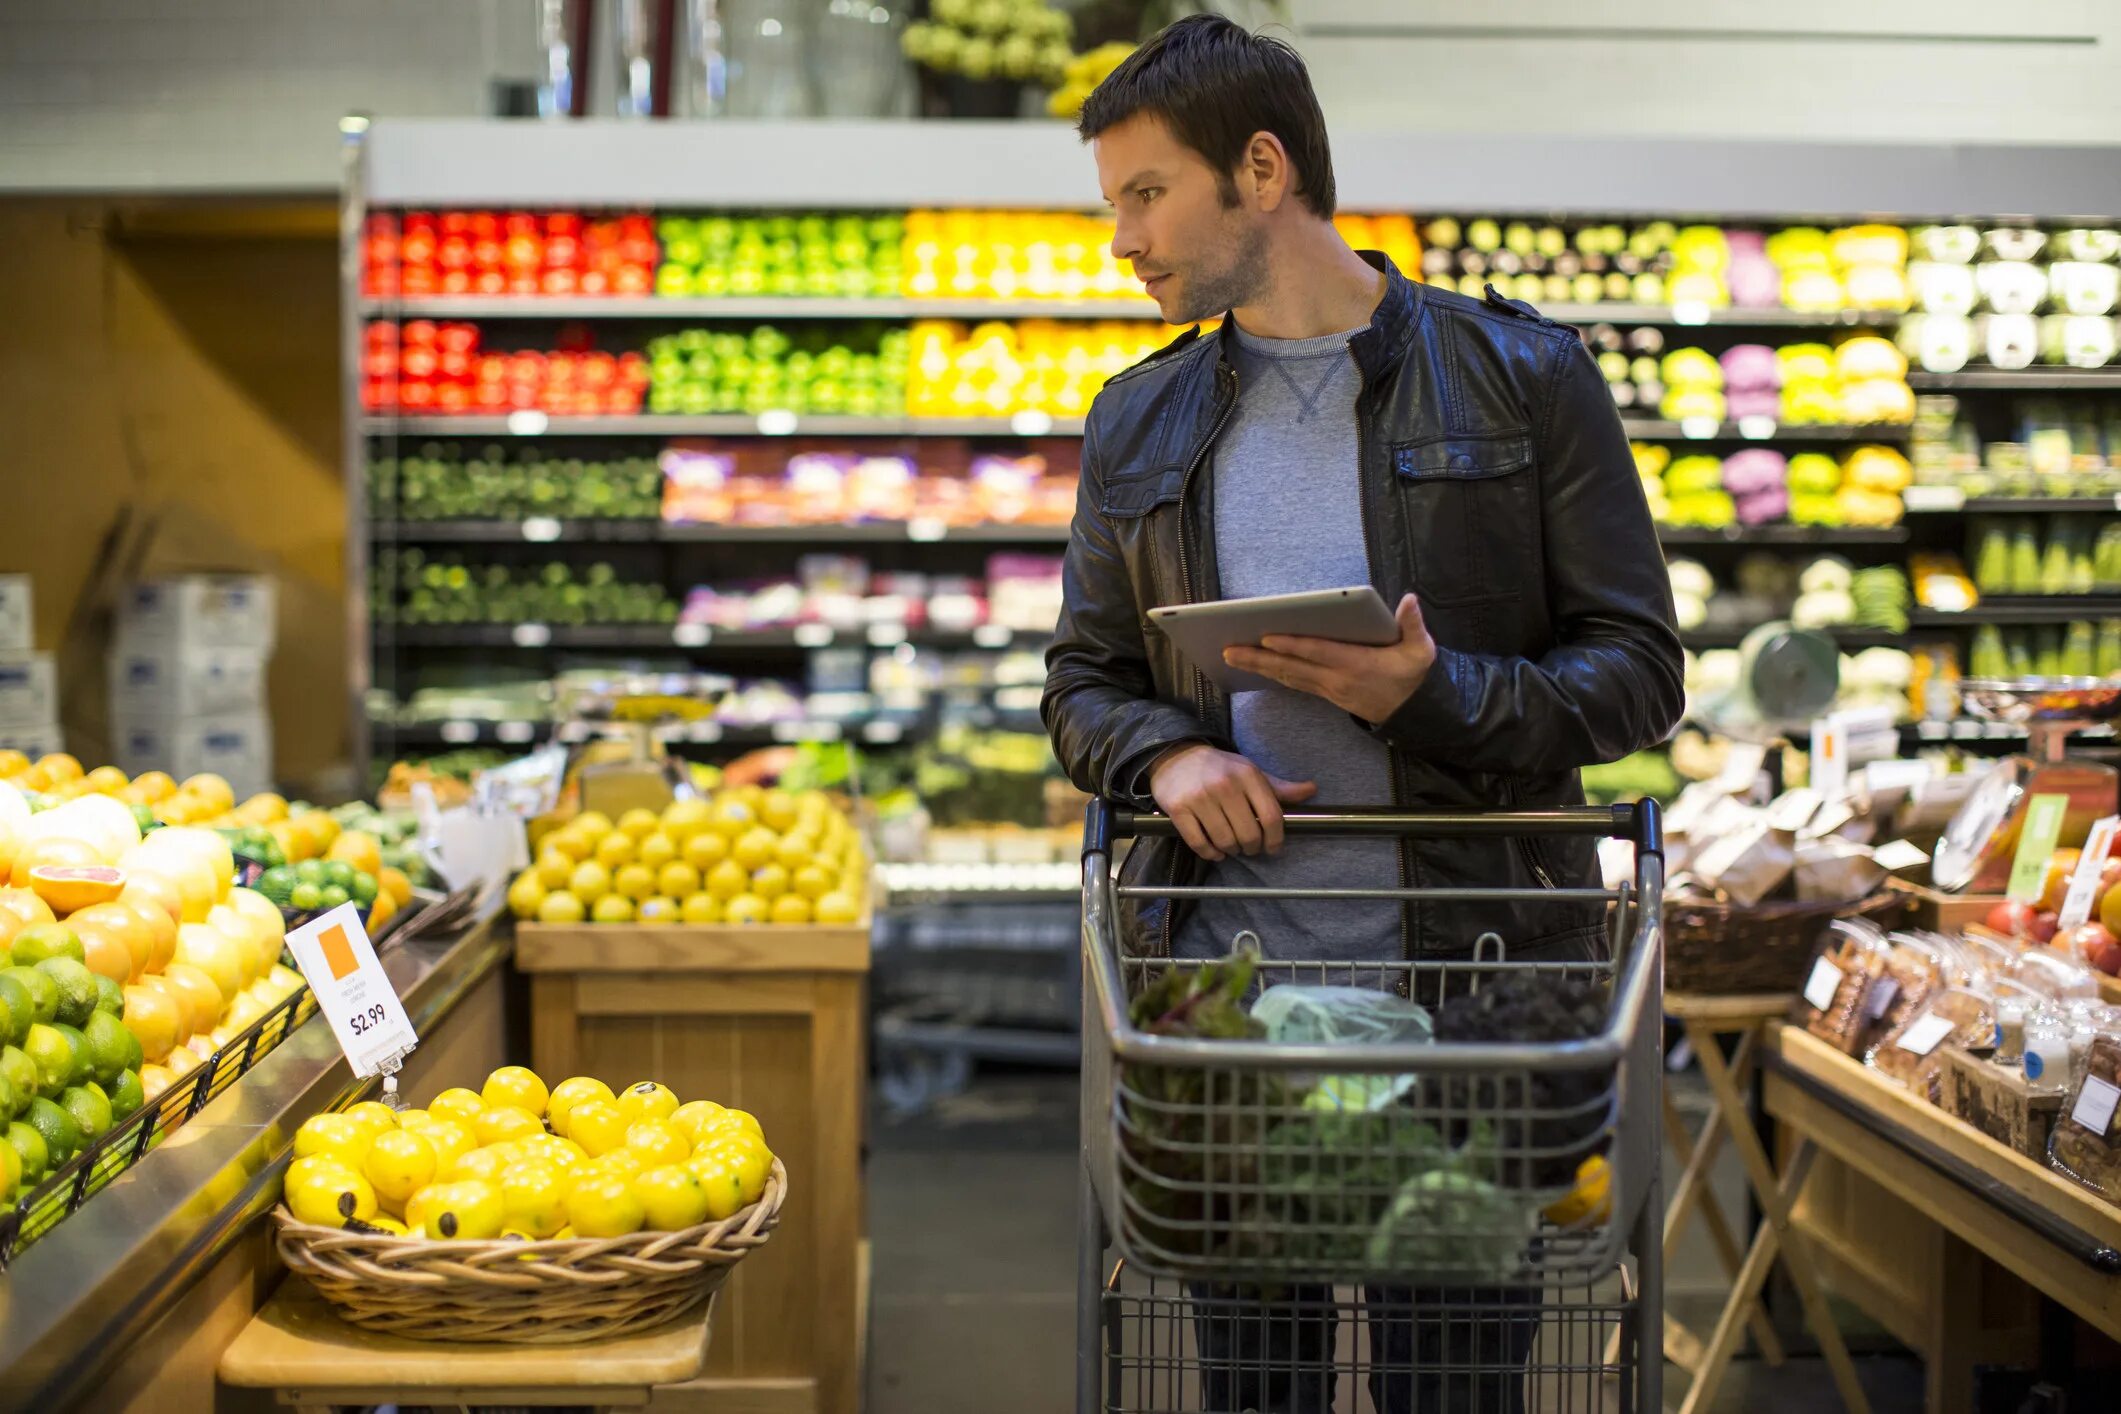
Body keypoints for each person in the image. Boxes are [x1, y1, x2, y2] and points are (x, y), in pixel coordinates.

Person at [1040, 15, 1684, 1413]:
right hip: (1232, 1020)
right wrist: (1171, 751)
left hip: (1469, 1001)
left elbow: (1638, 673)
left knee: (1452, 1391)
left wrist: (1431, 694)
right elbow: (1080, 688)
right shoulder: (1136, 423)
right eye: (1114, 204)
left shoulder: (1524, 381)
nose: (1121, 238)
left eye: (1144, 194)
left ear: (1259, 170)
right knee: (1249, 1388)